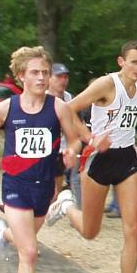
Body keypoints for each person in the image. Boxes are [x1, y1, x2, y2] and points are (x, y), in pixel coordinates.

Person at [0, 46, 80, 273]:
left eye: (45, 73)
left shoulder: (58, 108)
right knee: (30, 253)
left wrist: (71, 152)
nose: (41, 78)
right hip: (16, 186)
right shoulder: (5, 108)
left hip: (44, 188)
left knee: (27, 243)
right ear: (21, 76)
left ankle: (3, 232)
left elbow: (74, 139)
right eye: (35, 72)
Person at [45, 40, 137, 273]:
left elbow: (124, 125)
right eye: (134, 62)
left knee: (134, 229)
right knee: (90, 232)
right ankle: (65, 205)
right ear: (121, 62)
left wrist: (133, 145)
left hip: (126, 160)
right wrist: (91, 138)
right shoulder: (106, 85)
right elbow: (67, 109)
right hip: (97, 161)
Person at [47, 62, 73, 198]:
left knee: (55, 192)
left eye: (65, 77)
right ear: (49, 78)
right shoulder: (42, 97)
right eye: (59, 77)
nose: (63, 80)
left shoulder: (69, 98)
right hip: (44, 151)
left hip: (62, 151)